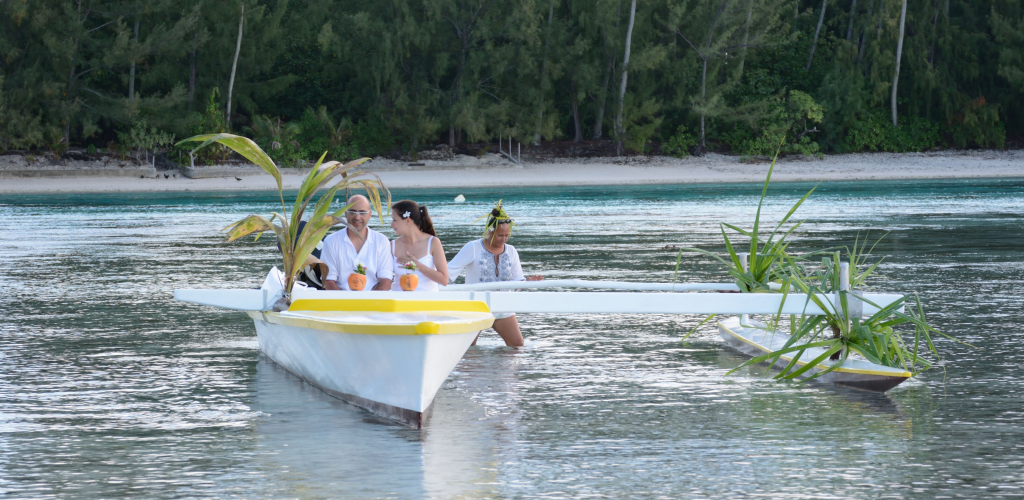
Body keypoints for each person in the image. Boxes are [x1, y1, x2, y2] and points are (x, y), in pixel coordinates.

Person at [448, 201, 542, 346]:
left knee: (517, 344)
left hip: (503, 307)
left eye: (506, 235)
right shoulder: (472, 247)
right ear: (490, 231)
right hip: (476, 308)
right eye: (499, 235)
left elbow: (518, 281)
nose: (503, 239)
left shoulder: (511, 251)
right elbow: (449, 273)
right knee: (467, 349)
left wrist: (529, 281)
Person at [322, 195, 394, 291]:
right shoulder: (331, 241)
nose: (357, 217)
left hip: (373, 301)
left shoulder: (381, 241)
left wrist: (368, 304)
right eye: (352, 212)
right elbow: (328, 281)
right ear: (345, 213)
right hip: (341, 301)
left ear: (370, 214)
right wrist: (347, 304)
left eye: (362, 212)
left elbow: (385, 281)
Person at [389, 200, 449, 291]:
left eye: (395, 220)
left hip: (426, 302)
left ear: (408, 220)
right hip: (399, 302)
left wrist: (417, 265)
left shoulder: (433, 242)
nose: (391, 224)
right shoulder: (392, 246)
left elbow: (444, 280)